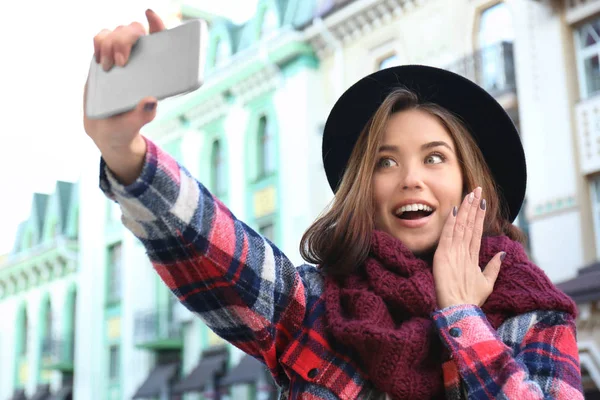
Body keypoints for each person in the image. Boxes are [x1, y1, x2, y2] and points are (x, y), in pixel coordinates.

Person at [84, 9, 584, 400]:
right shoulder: (313, 305)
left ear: (472, 182)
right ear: (362, 191)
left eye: (435, 158)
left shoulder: (534, 316)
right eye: (385, 163)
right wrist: (126, 153)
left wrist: (461, 315)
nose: (411, 178)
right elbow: (216, 248)